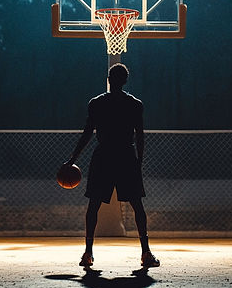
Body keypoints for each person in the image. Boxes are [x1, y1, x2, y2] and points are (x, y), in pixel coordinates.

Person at [63, 63, 160, 269]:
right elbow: (140, 136)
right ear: (125, 80)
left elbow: (88, 133)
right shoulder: (135, 104)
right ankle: (146, 252)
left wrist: (73, 159)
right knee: (137, 205)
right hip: (126, 155)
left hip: (104, 155)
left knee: (94, 205)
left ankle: (88, 253)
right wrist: (139, 161)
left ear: (108, 79)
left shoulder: (96, 103)